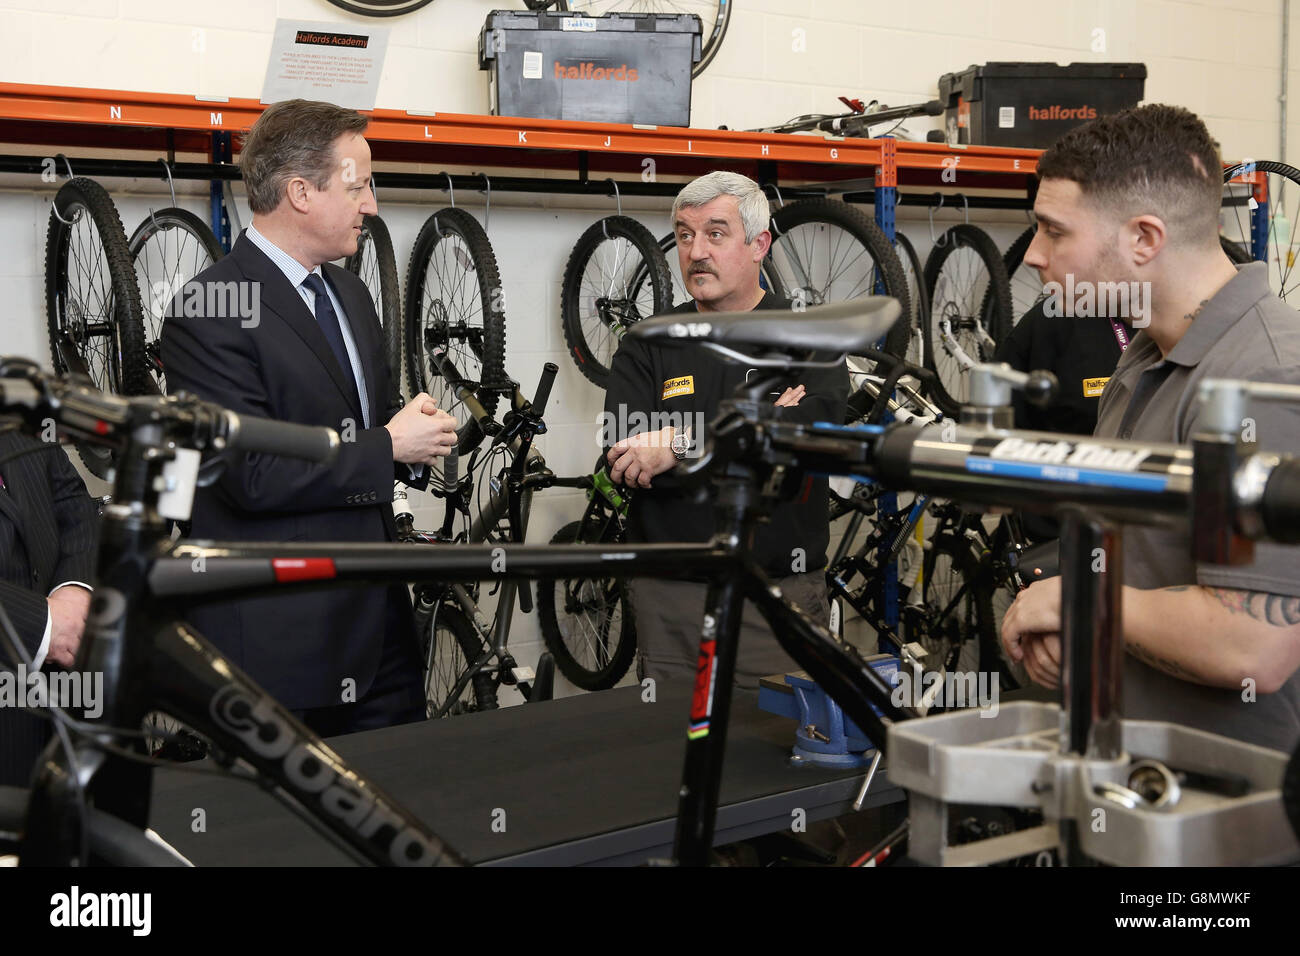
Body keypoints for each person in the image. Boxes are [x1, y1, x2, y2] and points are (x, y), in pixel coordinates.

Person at [1000, 103, 1300, 753]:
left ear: (1144, 239)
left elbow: (1250, 645)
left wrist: (1076, 601)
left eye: (1054, 231)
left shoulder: (1265, 377)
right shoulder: (1144, 356)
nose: (1032, 257)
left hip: (1230, 814)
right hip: (1129, 771)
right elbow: (1137, 564)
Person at [160, 99, 457, 737]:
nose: (371, 204)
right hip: (282, 654)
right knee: (288, 837)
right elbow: (247, 473)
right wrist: (386, 446)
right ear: (300, 191)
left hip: (381, 639)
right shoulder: (209, 309)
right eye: (359, 186)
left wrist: (413, 431)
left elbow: (369, 424)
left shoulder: (349, 293)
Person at [602, 171, 849, 687]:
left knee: (785, 755)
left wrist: (680, 441)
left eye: (715, 233)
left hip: (779, 595)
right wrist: (760, 424)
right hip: (672, 600)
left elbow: (817, 430)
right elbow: (624, 454)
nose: (696, 252)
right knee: (671, 751)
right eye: (685, 235)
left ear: (759, 244)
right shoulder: (648, 342)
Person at [0, 430, 97, 786]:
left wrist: (73, 590)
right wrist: (45, 624)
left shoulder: (17, 422)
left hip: (60, 709)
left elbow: (75, 507)